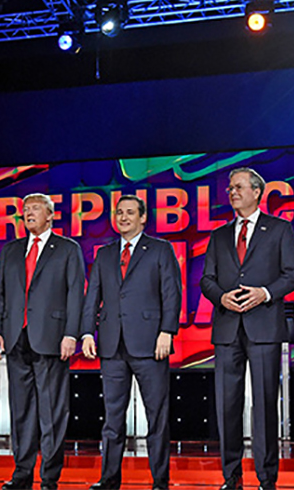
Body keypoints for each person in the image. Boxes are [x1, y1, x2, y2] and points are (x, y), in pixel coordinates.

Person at [201, 167, 294, 490]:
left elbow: (293, 275)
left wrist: (265, 293)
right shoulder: (218, 235)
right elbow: (206, 280)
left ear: (257, 192)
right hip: (227, 328)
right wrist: (221, 297)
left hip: (264, 327)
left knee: (264, 405)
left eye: (239, 187)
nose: (232, 192)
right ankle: (231, 476)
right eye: (230, 188)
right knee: (226, 406)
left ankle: (266, 477)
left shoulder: (279, 230)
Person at [80, 195, 182, 490]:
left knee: (157, 417)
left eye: (129, 213)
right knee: (112, 419)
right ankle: (109, 479)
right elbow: (93, 297)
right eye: (119, 212)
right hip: (112, 346)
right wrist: (88, 332)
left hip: (151, 344)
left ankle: (159, 480)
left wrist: (167, 331)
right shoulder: (105, 253)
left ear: (143, 218)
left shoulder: (161, 250)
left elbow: (171, 294)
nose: (123, 217)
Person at [0, 193, 85, 490]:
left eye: (34, 209)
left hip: (52, 339)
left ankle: (50, 476)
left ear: (50, 215)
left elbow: (75, 294)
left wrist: (71, 333)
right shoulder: (11, 250)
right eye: (25, 210)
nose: (28, 214)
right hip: (17, 337)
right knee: (21, 410)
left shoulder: (68, 249)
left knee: (52, 411)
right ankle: (22, 473)